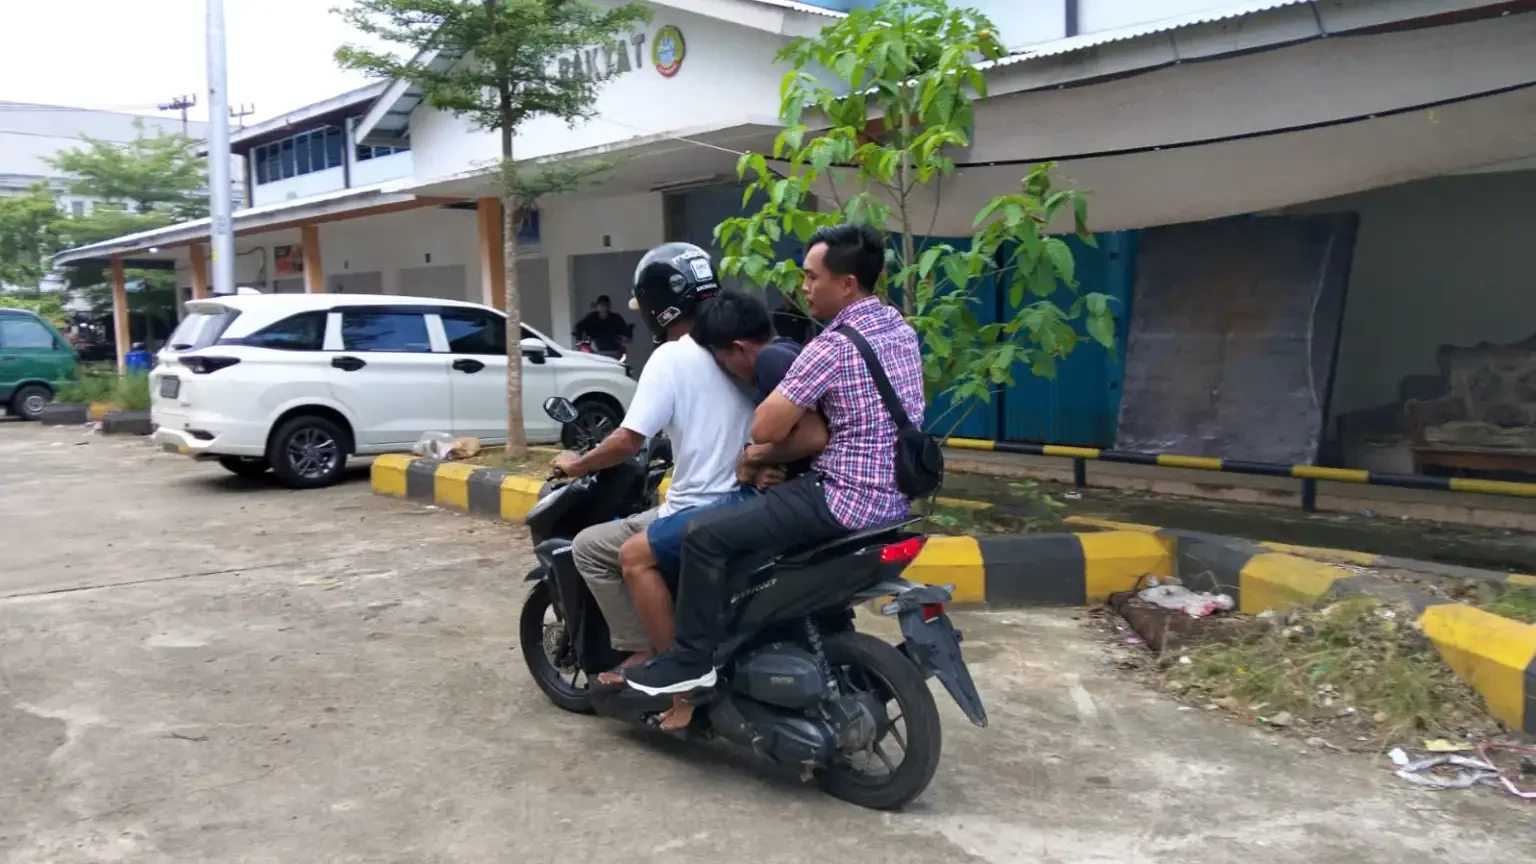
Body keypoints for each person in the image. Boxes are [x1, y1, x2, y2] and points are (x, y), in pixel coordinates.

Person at [622, 223, 926, 697]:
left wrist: (753, 450)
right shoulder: (899, 329)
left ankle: (691, 660)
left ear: (847, 284)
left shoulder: (831, 346)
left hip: (840, 498)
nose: (804, 288)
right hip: (896, 498)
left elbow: (765, 428)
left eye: (812, 278)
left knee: (703, 535)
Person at [615, 289, 829, 728]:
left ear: (737, 347)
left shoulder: (767, 362)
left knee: (636, 554)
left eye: (721, 359)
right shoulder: (788, 349)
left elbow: (812, 436)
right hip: (800, 491)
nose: (724, 371)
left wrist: (755, 457)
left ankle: (685, 685)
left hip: (784, 498)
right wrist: (768, 460)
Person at [552, 244, 753, 685]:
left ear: (656, 306)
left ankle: (650, 653)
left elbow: (626, 440)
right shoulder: (739, 349)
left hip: (698, 509)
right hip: (749, 505)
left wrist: (577, 464)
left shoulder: (671, 356)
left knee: (589, 546)